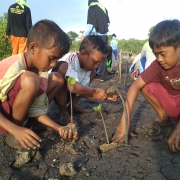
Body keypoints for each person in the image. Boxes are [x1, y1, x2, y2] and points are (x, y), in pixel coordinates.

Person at [0, 19, 77, 150]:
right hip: (4, 121)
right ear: (33, 48)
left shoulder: (41, 71)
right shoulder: (11, 67)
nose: (54, 64)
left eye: (57, 59)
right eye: (51, 58)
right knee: (31, 80)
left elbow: (36, 108)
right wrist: (15, 129)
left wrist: (58, 128)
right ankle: (13, 133)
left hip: (18, 112)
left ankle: (31, 124)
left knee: (57, 78)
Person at [112, 19, 180, 152]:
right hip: (172, 106)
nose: (159, 59)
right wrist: (125, 122)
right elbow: (134, 87)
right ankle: (164, 118)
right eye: (155, 54)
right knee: (144, 84)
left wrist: (177, 131)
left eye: (163, 54)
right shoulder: (157, 65)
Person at [51, 35, 117, 124]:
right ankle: (63, 112)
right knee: (62, 70)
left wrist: (104, 96)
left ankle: (72, 106)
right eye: (95, 62)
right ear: (83, 53)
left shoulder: (89, 69)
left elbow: (83, 91)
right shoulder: (69, 61)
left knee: (92, 73)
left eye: (99, 63)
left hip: (68, 97)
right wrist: (94, 92)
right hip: (51, 98)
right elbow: (72, 86)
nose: (97, 66)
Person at [80, 0, 110, 81]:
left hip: (96, 36)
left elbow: (90, 25)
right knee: (103, 56)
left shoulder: (92, 8)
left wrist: (84, 35)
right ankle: (103, 76)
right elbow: (108, 24)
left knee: (92, 55)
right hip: (104, 36)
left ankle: (92, 73)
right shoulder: (104, 9)